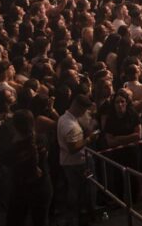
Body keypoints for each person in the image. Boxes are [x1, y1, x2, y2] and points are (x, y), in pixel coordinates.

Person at [57, 95, 97, 226]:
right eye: (84, 110)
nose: (84, 113)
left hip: (69, 162)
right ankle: (84, 216)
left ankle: (76, 216)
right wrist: (89, 139)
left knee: (75, 189)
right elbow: (73, 148)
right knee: (83, 190)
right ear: (78, 107)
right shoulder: (70, 125)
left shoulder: (64, 118)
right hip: (78, 162)